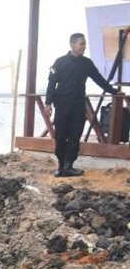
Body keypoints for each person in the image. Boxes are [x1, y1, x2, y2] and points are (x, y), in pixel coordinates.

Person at [44, 33, 118, 177]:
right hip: (62, 104)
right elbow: (51, 84)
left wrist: (114, 91)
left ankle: (69, 165)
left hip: (78, 105)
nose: (84, 47)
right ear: (72, 45)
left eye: (84, 44)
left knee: (74, 135)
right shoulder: (59, 62)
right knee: (60, 136)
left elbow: (99, 80)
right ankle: (60, 167)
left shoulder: (86, 63)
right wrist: (48, 103)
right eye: (81, 44)